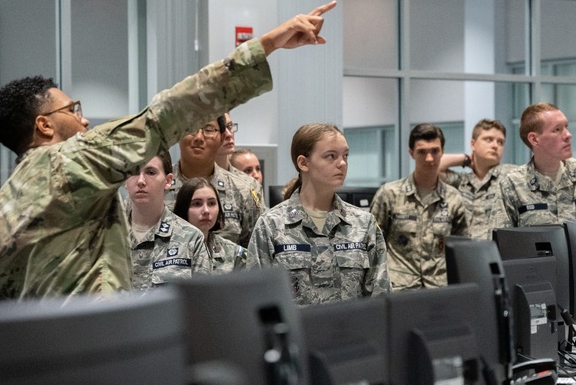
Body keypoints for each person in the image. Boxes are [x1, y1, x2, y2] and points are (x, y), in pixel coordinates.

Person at [0, 0, 335, 302]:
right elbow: (166, 112)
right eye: (73, 110)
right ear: (44, 125)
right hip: (100, 364)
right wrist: (268, 43)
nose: (84, 122)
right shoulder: (71, 161)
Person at [246, 123, 389, 304]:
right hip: (297, 331)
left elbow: (380, 297)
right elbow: (257, 297)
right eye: (331, 156)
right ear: (303, 163)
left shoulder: (363, 224)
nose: (342, 163)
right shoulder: (271, 225)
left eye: (345, 156)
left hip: (350, 330)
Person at [497, 102, 576, 276]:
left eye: (566, 127)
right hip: (539, 287)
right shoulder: (512, 184)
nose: (568, 135)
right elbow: (500, 248)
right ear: (534, 139)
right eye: (557, 130)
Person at [371, 123, 470, 290]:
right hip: (399, 290)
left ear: (442, 151)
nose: (429, 158)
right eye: (422, 152)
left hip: (439, 290)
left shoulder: (453, 198)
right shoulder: (389, 194)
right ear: (411, 153)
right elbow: (372, 246)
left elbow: (462, 250)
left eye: (435, 151)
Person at [172, 115, 266, 247]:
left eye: (208, 130)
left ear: (222, 138)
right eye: (190, 129)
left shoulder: (244, 190)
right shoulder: (156, 187)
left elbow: (257, 253)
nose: (198, 138)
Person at [125, 153, 210, 288]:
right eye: (134, 172)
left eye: (150, 172)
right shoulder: (104, 238)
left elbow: (203, 301)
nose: (141, 180)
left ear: (168, 180)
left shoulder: (190, 239)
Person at [437, 118, 514, 240]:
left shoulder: (510, 176)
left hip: (497, 255)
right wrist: (465, 159)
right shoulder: (461, 182)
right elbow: (435, 166)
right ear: (473, 144)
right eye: (488, 139)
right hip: (464, 254)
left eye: (500, 142)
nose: (495, 146)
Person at [174, 177, 247, 273]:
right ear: (183, 209)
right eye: (197, 204)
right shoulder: (164, 250)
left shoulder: (234, 254)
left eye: (211, 203)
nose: (206, 211)